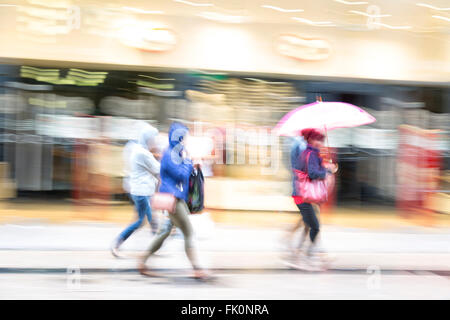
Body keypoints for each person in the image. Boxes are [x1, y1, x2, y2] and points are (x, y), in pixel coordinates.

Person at [138, 122, 209, 280]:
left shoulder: (175, 152)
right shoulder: (171, 153)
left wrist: (189, 161)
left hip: (174, 197)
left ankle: (142, 261)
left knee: (164, 232)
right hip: (173, 199)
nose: (186, 140)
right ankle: (197, 269)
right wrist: (190, 162)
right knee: (189, 232)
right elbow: (180, 175)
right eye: (184, 137)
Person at [289, 128, 337, 270]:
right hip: (304, 196)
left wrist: (325, 166)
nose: (321, 143)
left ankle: (298, 255)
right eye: (318, 140)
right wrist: (328, 171)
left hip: (302, 196)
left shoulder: (310, 153)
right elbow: (313, 173)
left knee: (308, 225)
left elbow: (310, 170)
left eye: (321, 141)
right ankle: (308, 256)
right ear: (311, 140)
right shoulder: (310, 154)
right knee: (315, 226)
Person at [111, 124, 161, 258]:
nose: (155, 142)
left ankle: (154, 247)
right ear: (147, 139)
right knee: (140, 221)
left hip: (141, 191)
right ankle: (117, 243)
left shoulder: (139, 150)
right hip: (142, 192)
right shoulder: (143, 153)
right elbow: (159, 169)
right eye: (153, 139)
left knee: (151, 219)